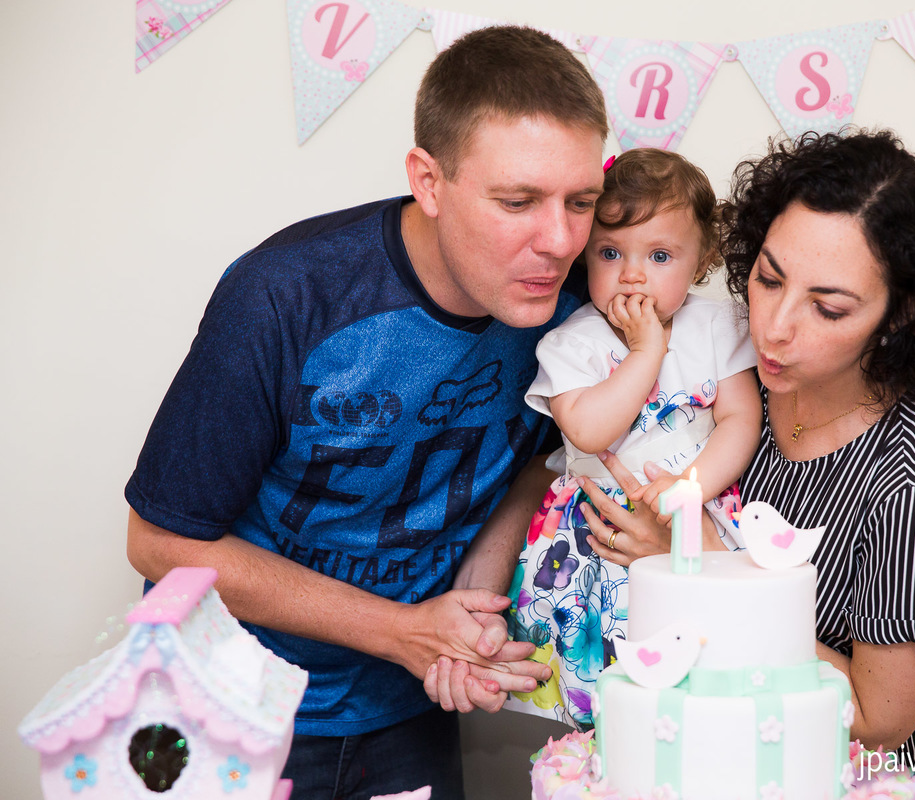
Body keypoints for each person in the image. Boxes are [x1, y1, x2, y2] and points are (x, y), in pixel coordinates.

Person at [123, 25, 609, 800]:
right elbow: (159, 540)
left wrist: (478, 594)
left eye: (581, 202)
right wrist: (401, 630)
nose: (559, 240)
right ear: (429, 181)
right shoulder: (284, 294)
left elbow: (545, 456)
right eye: (517, 201)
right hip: (227, 703)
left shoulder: (581, 305)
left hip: (411, 704)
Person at [565, 129, 915, 767]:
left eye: (828, 309)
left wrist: (697, 563)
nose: (773, 327)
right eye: (769, 279)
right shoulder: (743, 372)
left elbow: (878, 722)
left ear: (902, 313)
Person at [503, 149, 762, 728]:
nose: (632, 274)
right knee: (615, 690)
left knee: (703, 659)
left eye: (660, 256)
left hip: (693, 505)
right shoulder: (571, 343)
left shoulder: (716, 326)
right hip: (595, 533)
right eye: (610, 253)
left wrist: (690, 487)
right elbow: (588, 430)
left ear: (702, 260)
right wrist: (647, 351)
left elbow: (741, 420)